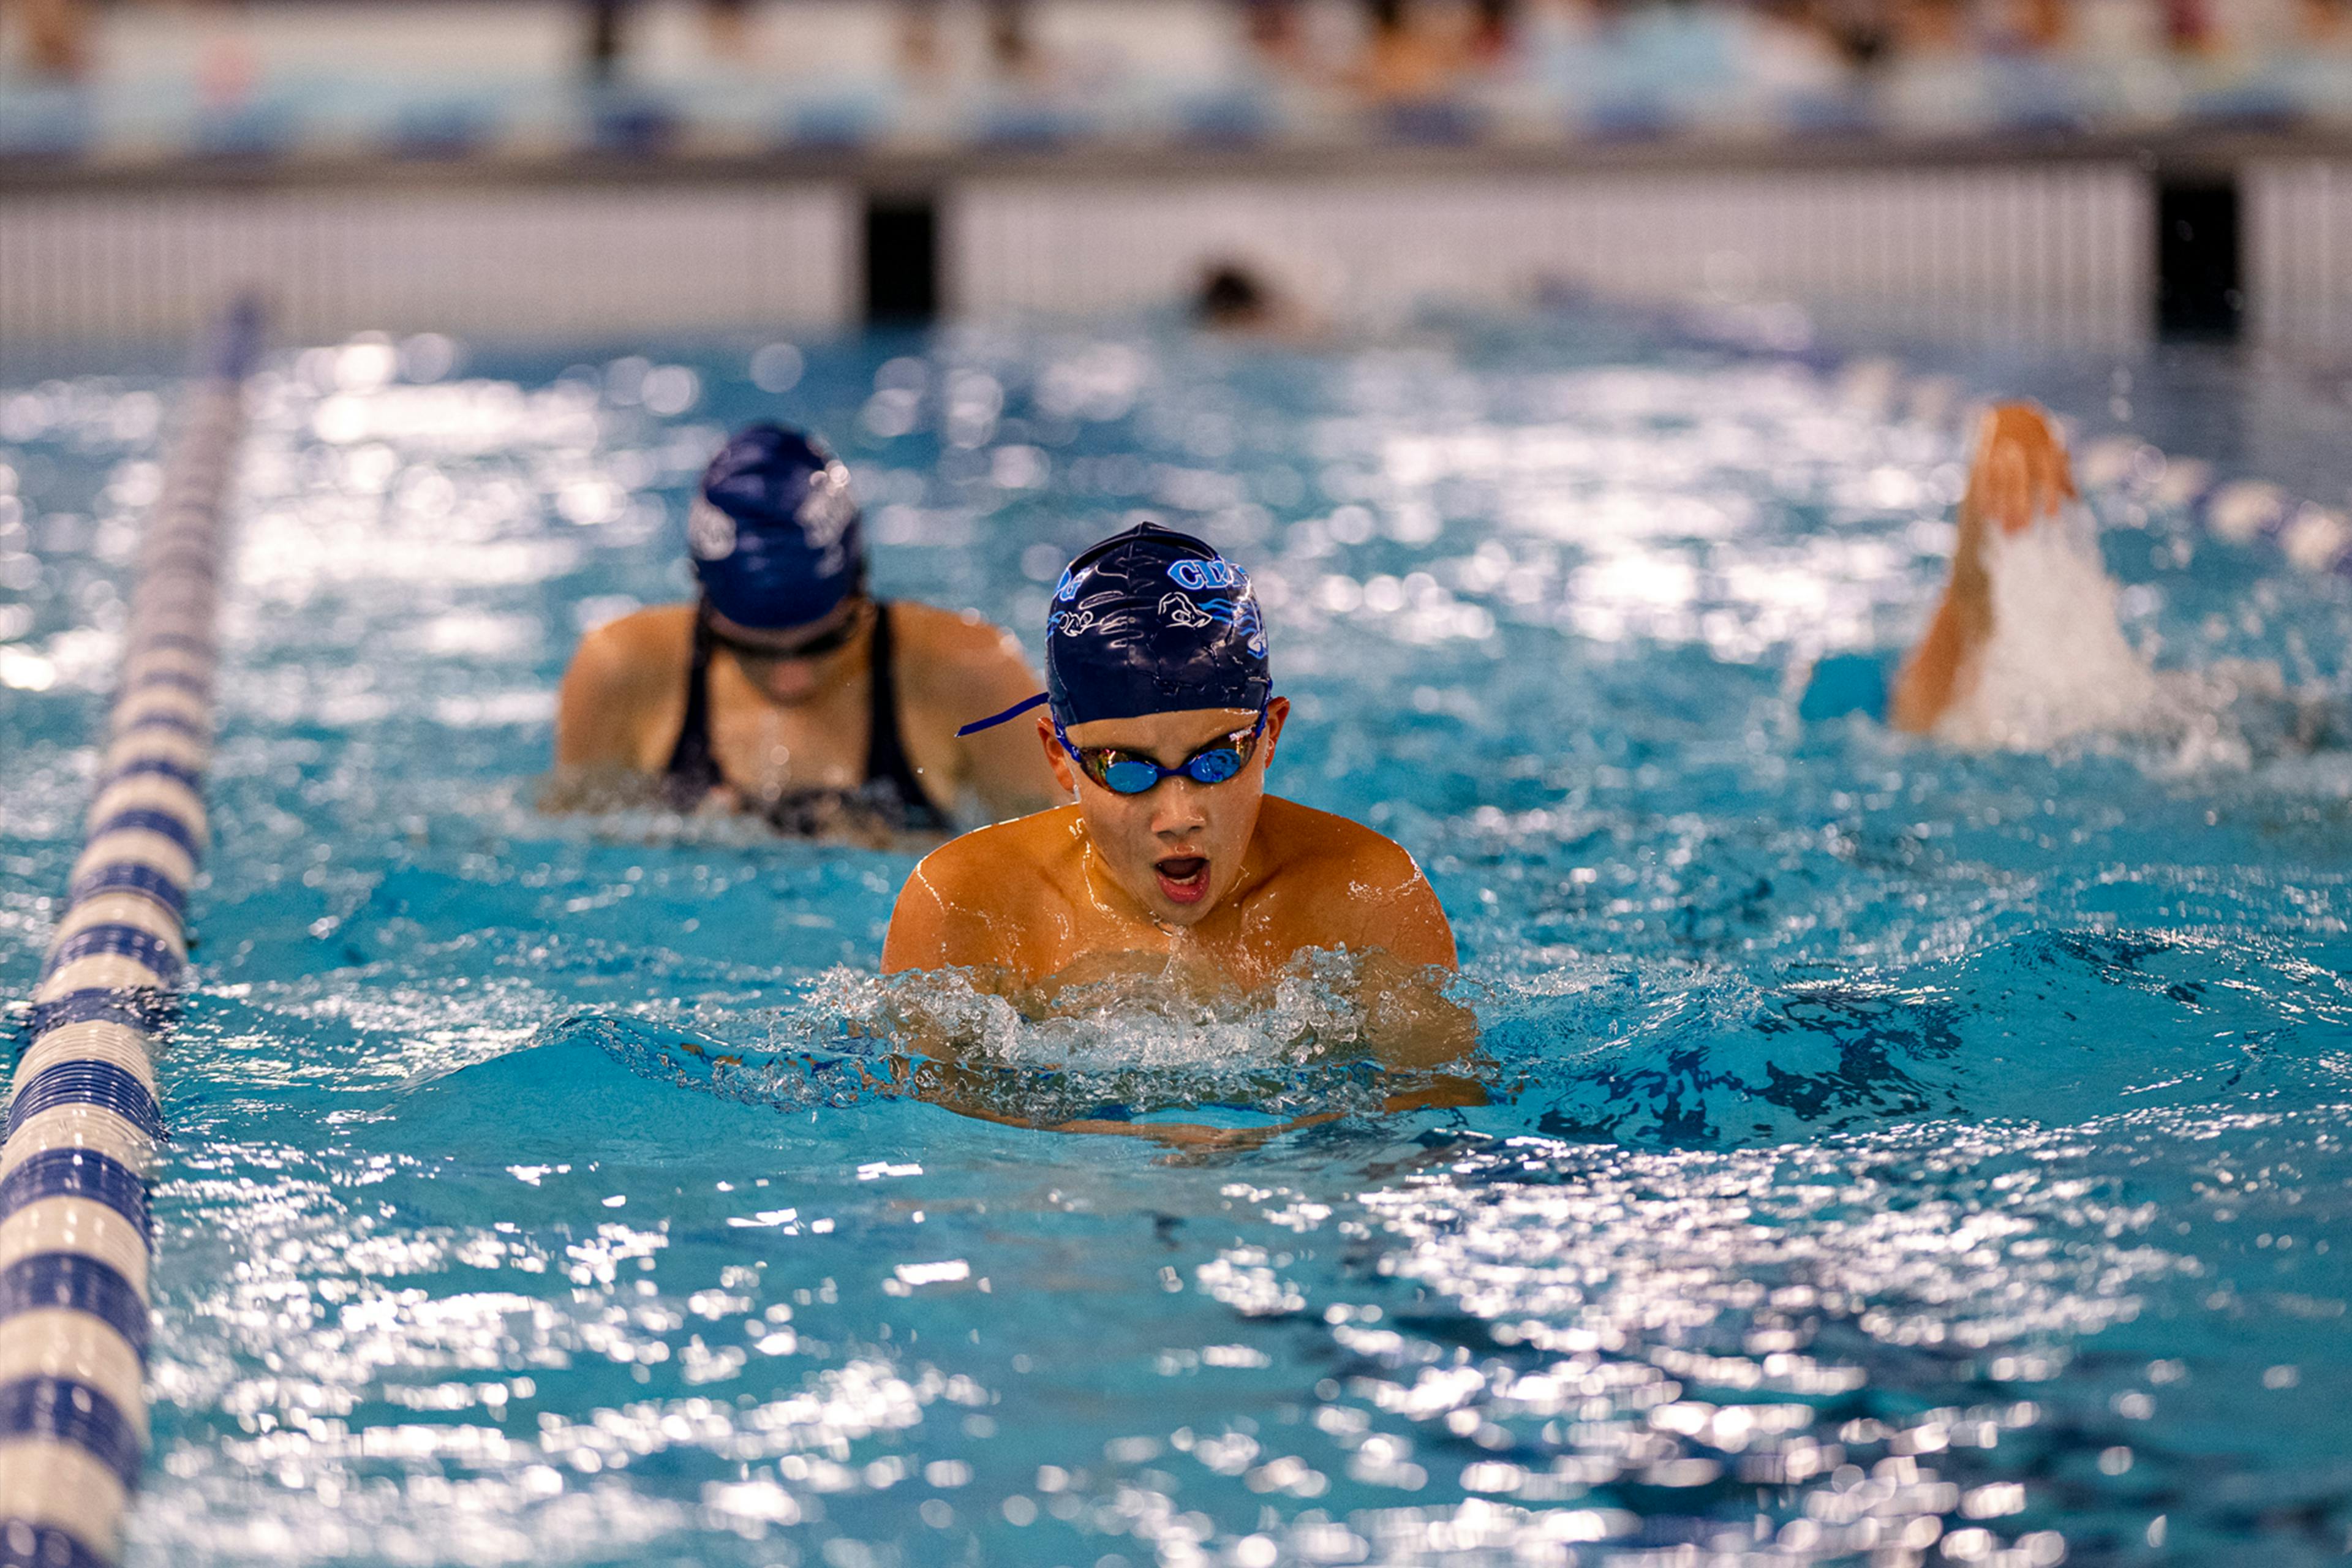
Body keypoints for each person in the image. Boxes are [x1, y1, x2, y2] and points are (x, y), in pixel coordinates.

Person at [884, 521, 1459, 997]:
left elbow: (1425, 1130)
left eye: (1216, 762)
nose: (1179, 815)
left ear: (1271, 735)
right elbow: (929, 1137)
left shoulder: (1371, 904)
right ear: (1061, 760)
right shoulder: (963, 910)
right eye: (1126, 769)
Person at [551, 423, 1062, 835]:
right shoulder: (620, 669)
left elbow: (1063, 866)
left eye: (825, 641)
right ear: (704, 602)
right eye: (748, 648)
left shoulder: (972, 675)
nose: (789, 680)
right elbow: (566, 849)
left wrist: (906, 853)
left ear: (860, 586)